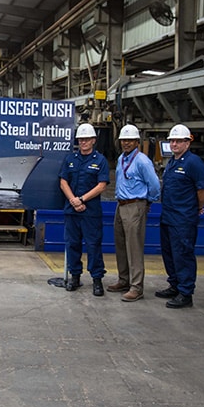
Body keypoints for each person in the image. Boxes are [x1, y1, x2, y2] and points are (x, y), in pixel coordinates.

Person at [155, 124, 204, 309]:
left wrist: (197, 207)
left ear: (188, 142)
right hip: (169, 217)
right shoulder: (172, 162)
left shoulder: (193, 163)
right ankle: (175, 285)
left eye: (179, 141)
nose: (175, 144)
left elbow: (203, 190)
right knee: (169, 253)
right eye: (172, 141)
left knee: (183, 255)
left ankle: (186, 293)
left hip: (183, 219)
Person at [108, 124, 161, 302]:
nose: (126, 143)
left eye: (130, 140)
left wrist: (147, 202)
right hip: (121, 205)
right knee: (121, 245)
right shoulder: (122, 158)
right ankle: (124, 280)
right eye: (123, 140)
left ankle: (136, 287)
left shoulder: (142, 161)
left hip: (135, 205)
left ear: (137, 142)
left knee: (134, 247)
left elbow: (154, 185)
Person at [58, 123, 110, 296]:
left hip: (91, 212)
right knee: (72, 244)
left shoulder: (100, 160)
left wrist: (82, 199)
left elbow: (102, 185)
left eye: (87, 139)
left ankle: (97, 280)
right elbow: (63, 181)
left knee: (93, 245)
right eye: (81, 139)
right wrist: (73, 200)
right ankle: (75, 277)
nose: (84, 142)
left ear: (93, 140)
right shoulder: (70, 159)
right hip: (72, 211)